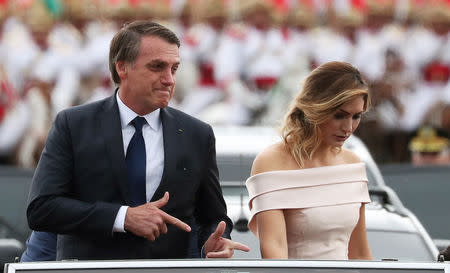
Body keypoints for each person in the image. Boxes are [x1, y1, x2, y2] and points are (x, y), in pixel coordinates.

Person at [26, 20, 249, 260]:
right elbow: (42, 209)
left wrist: (212, 244)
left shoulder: (197, 134)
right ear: (122, 68)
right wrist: (123, 217)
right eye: (157, 67)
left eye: (174, 69)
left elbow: (212, 216)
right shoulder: (74, 125)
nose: (170, 79)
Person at [245, 61, 373, 260]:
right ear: (316, 108)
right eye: (339, 116)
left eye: (356, 116)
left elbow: (360, 253)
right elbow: (274, 252)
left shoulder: (353, 164)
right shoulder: (271, 162)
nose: (348, 127)